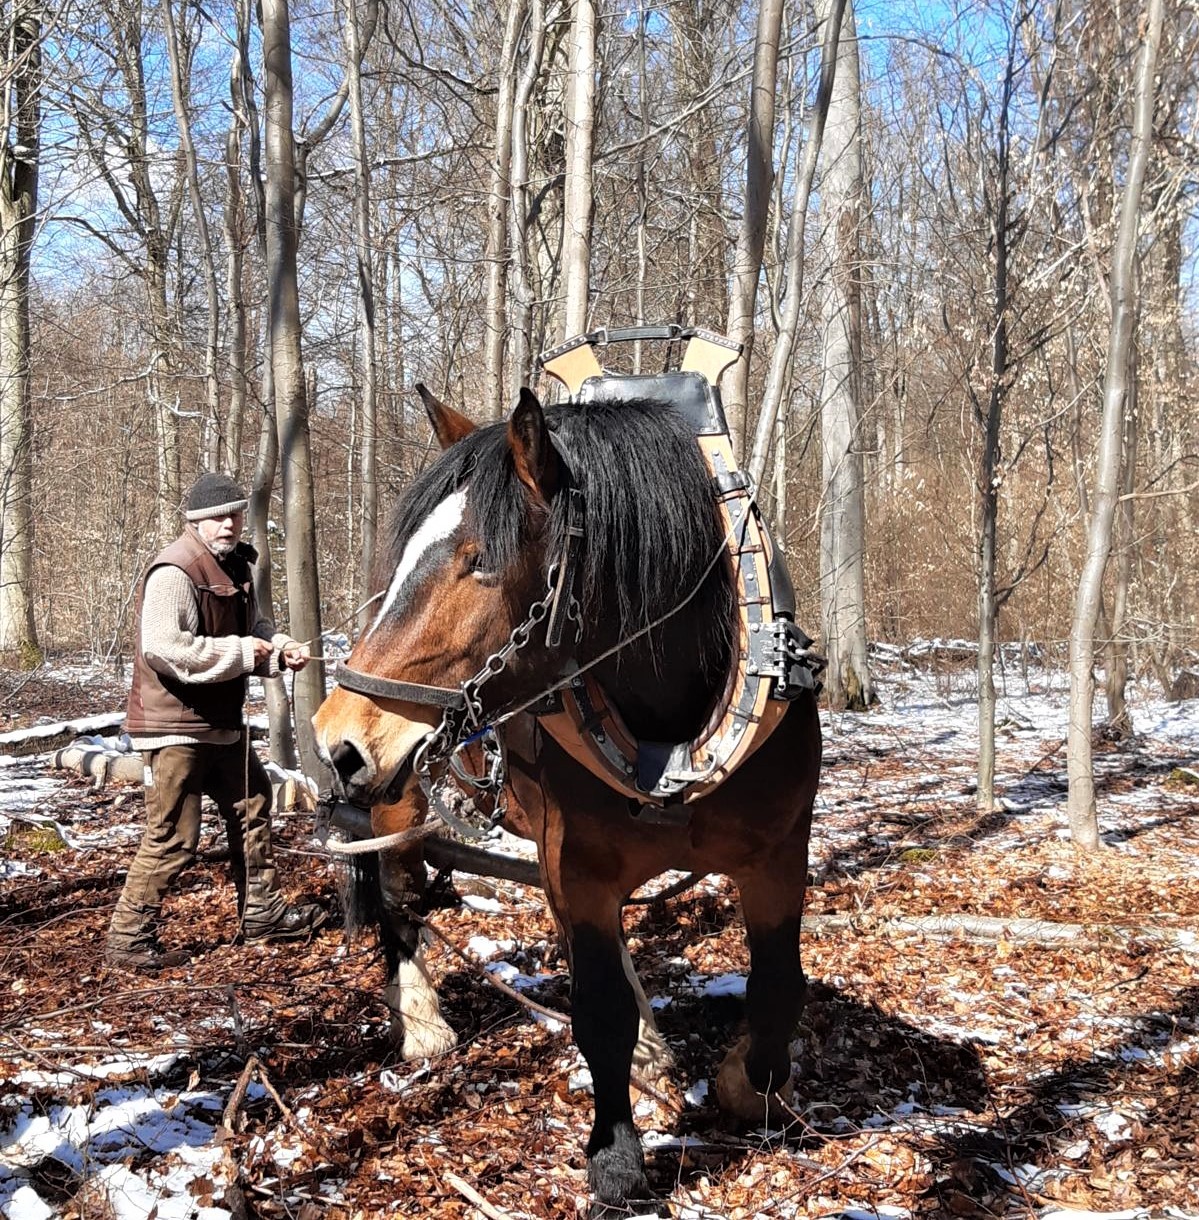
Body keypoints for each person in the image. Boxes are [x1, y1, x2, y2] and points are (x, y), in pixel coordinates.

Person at [106, 473, 327, 972]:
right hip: (174, 728)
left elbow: (255, 630)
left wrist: (278, 650)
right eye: (217, 517)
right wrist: (246, 653)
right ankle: (128, 939)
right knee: (173, 836)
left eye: (235, 514)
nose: (228, 524)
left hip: (221, 724)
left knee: (253, 803)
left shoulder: (235, 565)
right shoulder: (175, 570)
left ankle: (262, 914)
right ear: (195, 522)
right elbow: (165, 649)